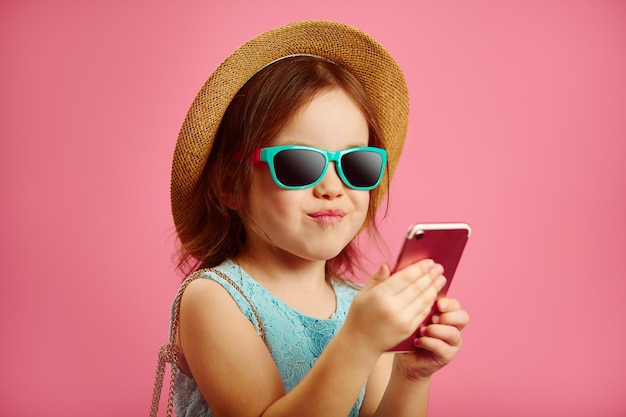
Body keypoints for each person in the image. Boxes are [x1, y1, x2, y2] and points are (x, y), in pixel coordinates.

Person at [151, 20, 469, 417]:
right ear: (231, 185)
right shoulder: (215, 299)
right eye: (300, 164)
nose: (332, 187)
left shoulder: (360, 306)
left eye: (356, 164)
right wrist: (359, 340)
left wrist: (410, 375)